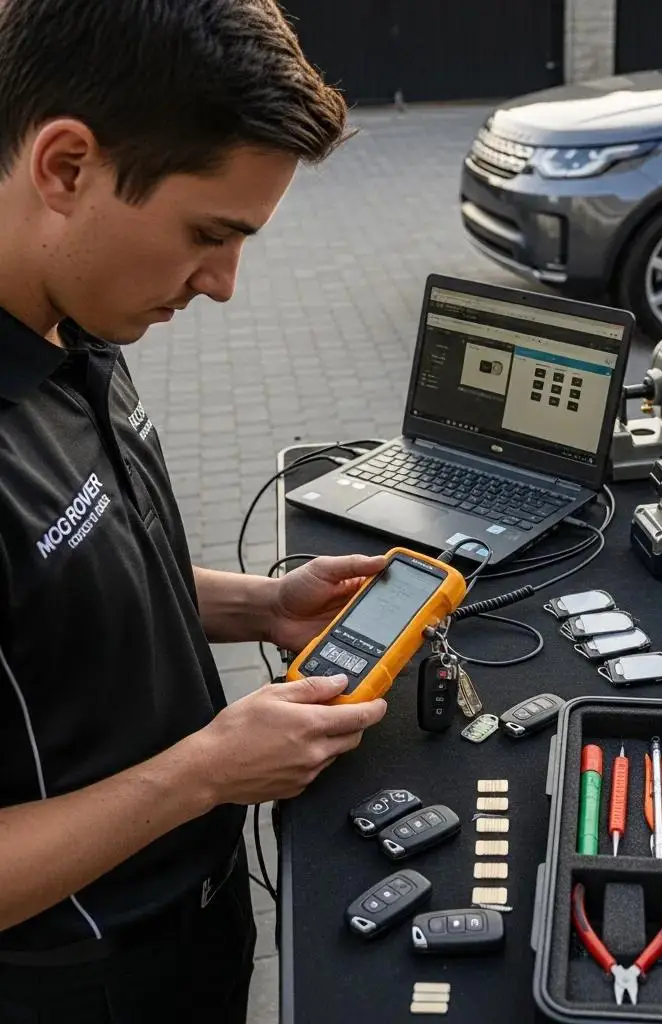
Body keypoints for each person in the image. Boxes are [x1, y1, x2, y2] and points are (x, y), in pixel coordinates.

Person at [0, 1, 388, 1020]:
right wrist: (205, 774)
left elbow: (67, 577)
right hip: (82, 985)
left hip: (200, 921)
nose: (220, 285)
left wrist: (259, 606)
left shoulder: (72, 313)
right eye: (207, 235)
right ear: (66, 167)